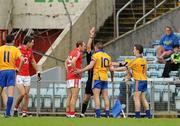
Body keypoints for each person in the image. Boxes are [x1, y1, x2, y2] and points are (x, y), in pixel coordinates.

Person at [75, 42, 114, 118]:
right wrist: (112, 77)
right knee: (106, 97)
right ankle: (107, 114)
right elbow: (111, 69)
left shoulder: (95, 55)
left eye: (95, 48)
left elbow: (90, 66)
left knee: (96, 97)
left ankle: (98, 115)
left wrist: (81, 70)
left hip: (97, 77)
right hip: (105, 78)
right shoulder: (108, 56)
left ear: (96, 48)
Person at [113, 44, 151, 118]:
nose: (133, 51)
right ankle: (148, 115)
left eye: (134, 49)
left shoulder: (135, 61)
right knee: (143, 98)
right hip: (144, 80)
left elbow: (125, 68)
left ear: (137, 50)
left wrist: (114, 69)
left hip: (138, 81)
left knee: (136, 98)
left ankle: (137, 116)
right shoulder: (144, 60)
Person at [13, 36, 41, 117]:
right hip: (19, 75)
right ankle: (15, 108)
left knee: (26, 95)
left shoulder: (30, 51)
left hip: (27, 76)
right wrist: (15, 68)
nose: (33, 44)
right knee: (22, 93)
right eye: (32, 42)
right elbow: (13, 59)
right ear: (28, 42)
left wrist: (38, 71)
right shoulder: (18, 49)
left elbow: (32, 61)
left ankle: (24, 113)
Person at [0, 34, 24, 117]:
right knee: (10, 93)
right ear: (13, 40)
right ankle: (7, 113)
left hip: (2, 71)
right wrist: (18, 69)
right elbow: (22, 59)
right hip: (11, 71)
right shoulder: (15, 49)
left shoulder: (0, 48)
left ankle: (7, 113)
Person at [64, 41, 86, 118]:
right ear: (79, 46)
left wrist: (68, 71)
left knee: (69, 96)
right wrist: (75, 71)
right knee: (74, 96)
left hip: (69, 77)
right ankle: (72, 114)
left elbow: (66, 62)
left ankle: (68, 113)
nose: (84, 47)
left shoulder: (72, 52)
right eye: (84, 46)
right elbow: (73, 62)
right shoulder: (78, 52)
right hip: (75, 77)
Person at [79, 27, 96, 117]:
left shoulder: (100, 56)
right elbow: (89, 46)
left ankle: (99, 114)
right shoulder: (90, 55)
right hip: (90, 78)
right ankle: (82, 113)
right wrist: (91, 36)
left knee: (98, 97)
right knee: (86, 98)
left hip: (98, 79)